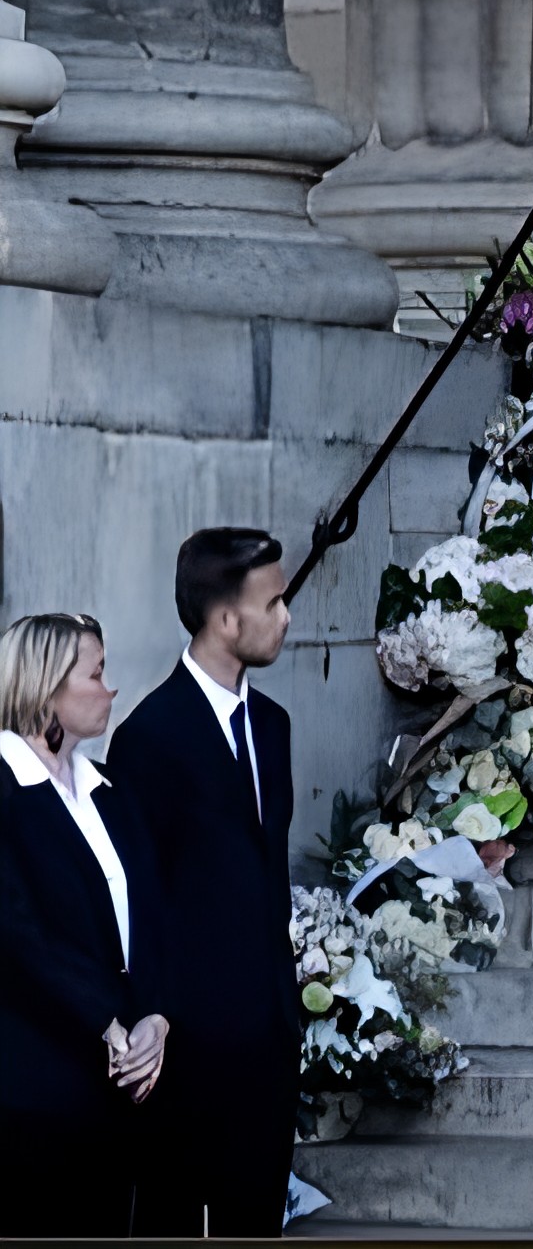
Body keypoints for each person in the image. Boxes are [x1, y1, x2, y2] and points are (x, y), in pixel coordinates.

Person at [106, 529, 304, 1241]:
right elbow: (138, 900)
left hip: (270, 1043)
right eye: (272, 603)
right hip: (188, 1051)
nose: (286, 617)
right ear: (225, 618)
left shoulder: (273, 726)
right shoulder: (148, 737)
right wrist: (158, 1015)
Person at [0, 613, 172, 1240]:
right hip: (32, 1089)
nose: (110, 688)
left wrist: (157, 1017)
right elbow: (15, 932)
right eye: (96, 673)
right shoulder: (5, 789)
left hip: (117, 1087)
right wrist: (106, 1019)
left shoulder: (108, 790)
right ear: (47, 685)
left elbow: (154, 918)